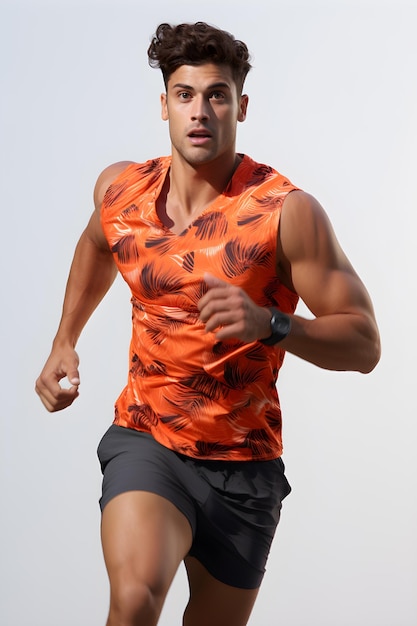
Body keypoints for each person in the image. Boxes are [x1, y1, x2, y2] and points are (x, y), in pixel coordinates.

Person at [35, 21, 381, 626]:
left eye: (216, 95)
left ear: (241, 107)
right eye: (185, 95)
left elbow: (363, 341)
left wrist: (271, 323)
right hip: (149, 442)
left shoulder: (285, 212)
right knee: (136, 597)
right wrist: (65, 340)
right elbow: (97, 244)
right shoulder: (122, 192)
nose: (200, 111)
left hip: (245, 469)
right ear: (164, 106)